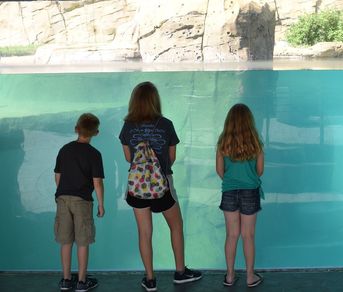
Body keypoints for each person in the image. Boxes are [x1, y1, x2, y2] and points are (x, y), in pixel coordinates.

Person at [119, 81, 202, 291]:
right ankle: (181, 272)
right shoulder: (166, 124)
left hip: (137, 187)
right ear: (155, 100)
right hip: (162, 184)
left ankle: (150, 279)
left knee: (144, 232)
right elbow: (171, 158)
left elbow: (129, 158)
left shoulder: (127, 126)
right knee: (176, 225)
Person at [54, 113, 105, 292]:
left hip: (62, 199)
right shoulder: (94, 154)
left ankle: (66, 280)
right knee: (82, 242)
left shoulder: (64, 149)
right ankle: (82, 282)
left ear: (76, 129)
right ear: (96, 133)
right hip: (82, 202)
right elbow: (97, 182)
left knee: (65, 241)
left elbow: (57, 176)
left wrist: (63, 193)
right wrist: (100, 204)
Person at [216, 103, 265, 288]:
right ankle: (250, 277)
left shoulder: (222, 143)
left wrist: (231, 181)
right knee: (248, 236)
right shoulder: (256, 143)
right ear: (249, 121)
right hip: (250, 191)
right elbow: (259, 171)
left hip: (229, 191)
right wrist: (247, 178)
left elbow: (219, 170)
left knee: (231, 235)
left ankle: (229, 276)